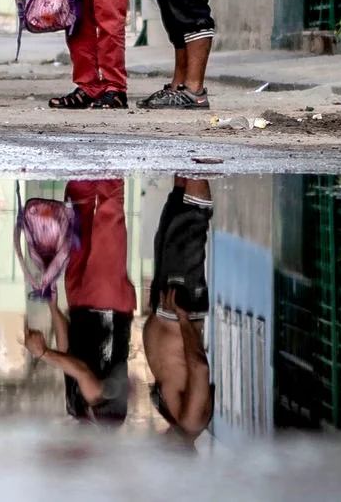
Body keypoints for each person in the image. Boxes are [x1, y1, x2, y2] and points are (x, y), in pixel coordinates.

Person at [26, 178, 134, 424]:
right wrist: (43, 353)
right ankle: (109, 166)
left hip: (78, 306)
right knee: (108, 220)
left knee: (76, 221)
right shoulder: (107, 421)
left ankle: (83, 171)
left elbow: (68, 350)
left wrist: (53, 306)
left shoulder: (75, 408)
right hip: (109, 308)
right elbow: (84, 373)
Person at [146, 174, 214, 442]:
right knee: (191, 224)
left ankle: (185, 159)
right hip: (180, 310)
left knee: (173, 217)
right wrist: (184, 319)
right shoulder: (191, 421)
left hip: (167, 309)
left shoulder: (176, 421)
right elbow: (199, 368)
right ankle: (199, 160)